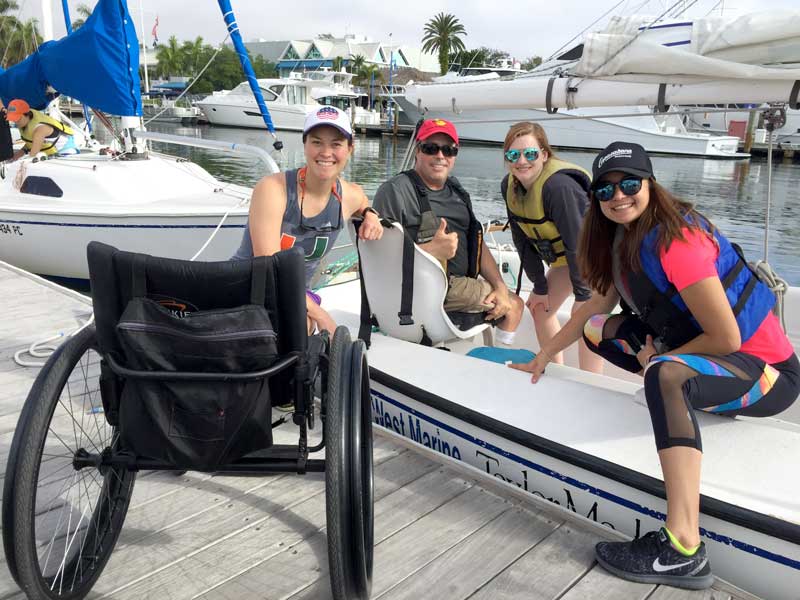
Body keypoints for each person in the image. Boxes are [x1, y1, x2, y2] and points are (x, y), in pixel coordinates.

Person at [511, 141, 799, 589]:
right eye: (605, 190)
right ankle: (675, 388)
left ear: (650, 184)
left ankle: (683, 547)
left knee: (663, 375)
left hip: (768, 375)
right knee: (597, 331)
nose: (618, 196)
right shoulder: (622, 238)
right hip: (717, 356)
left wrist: (661, 361)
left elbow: (727, 338)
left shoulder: (678, 242)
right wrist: (545, 354)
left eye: (629, 184)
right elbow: (594, 310)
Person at [232, 105, 383, 335]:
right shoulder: (274, 190)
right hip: (247, 287)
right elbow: (271, 269)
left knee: (301, 327)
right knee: (296, 327)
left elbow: (362, 200)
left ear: (350, 149)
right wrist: (320, 314)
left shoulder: (348, 196)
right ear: (305, 145)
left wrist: (371, 214)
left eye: (336, 144)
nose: (326, 152)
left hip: (297, 298)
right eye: (317, 142)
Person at [373, 118, 524, 343]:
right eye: (431, 148)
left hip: (459, 284)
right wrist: (428, 251)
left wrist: (500, 286)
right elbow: (378, 260)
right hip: (425, 290)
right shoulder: (395, 192)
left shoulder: (457, 191)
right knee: (514, 306)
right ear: (417, 150)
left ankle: (491, 358)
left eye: (448, 150)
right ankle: (499, 365)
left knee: (508, 299)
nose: (440, 156)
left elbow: (478, 246)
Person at [501, 122, 602, 372]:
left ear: (544, 155)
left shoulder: (560, 188)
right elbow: (521, 240)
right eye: (513, 154)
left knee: (586, 318)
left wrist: (582, 295)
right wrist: (540, 286)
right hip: (566, 261)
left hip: (596, 259)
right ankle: (556, 370)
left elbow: (578, 244)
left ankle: (592, 380)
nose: (522, 161)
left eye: (531, 154)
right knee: (538, 306)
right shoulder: (509, 186)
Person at [5, 99, 78, 160]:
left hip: (65, 152)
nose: (15, 122)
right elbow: (29, 145)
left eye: (18, 119)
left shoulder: (40, 129)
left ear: (27, 115)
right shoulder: (26, 124)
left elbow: (33, 154)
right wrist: (14, 157)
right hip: (52, 154)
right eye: (13, 119)